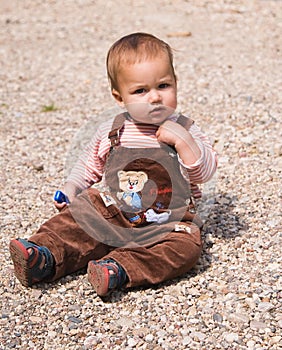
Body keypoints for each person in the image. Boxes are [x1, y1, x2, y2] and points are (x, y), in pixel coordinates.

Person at [9, 32, 217, 297]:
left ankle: (119, 268)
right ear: (120, 98)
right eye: (140, 91)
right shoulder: (113, 130)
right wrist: (73, 186)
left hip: (167, 221)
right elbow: (89, 165)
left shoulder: (185, 129)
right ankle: (44, 254)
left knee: (184, 248)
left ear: (176, 83)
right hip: (114, 211)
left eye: (163, 86)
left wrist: (185, 144)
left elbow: (205, 172)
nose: (154, 97)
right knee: (81, 215)